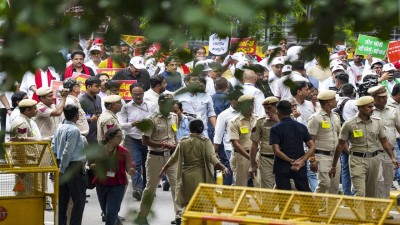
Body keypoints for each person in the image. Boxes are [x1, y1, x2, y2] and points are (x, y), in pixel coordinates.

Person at [159, 119, 229, 225]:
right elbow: (211, 158)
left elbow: (174, 158)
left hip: (186, 178)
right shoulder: (205, 142)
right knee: (203, 206)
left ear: (190, 129)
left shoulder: (183, 141)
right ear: (201, 130)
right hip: (201, 178)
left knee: (188, 205)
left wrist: (164, 169)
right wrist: (223, 167)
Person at [329, 96, 399, 199]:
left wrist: (392, 157)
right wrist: (334, 166)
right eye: (369, 107)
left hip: (374, 160)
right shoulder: (349, 124)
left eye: (372, 107)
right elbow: (340, 146)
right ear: (360, 108)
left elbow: (384, 141)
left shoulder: (377, 122)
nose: (372, 109)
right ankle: (361, 215)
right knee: (360, 192)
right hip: (357, 160)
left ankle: (367, 215)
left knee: (372, 193)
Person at [135, 94, 181, 225]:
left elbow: (174, 134)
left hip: (171, 156)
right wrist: (164, 144)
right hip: (155, 157)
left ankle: (179, 215)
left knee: (176, 186)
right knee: (150, 188)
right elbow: (145, 141)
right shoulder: (151, 119)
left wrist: (175, 145)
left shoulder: (174, 116)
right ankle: (142, 215)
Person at [118, 83, 157, 201]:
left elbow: (157, 120)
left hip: (148, 139)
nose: (138, 97)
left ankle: (147, 189)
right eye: (135, 94)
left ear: (143, 93)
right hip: (132, 139)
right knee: (135, 164)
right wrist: (133, 124)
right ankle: (138, 189)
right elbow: (121, 125)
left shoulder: (151, 106)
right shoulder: (125, 108)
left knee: (148, 165)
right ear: (131, 94)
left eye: (140, 94)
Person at [90, 128, 135, 225]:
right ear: (110, 138)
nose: (121, 139)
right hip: (101, 184)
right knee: (107, 213)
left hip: (118, 185)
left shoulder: (124, 151)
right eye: (118, 137)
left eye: (122, 136)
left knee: (111, 213)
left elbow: (129, 167)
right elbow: (90, 165)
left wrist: (131, 171)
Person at [269, 100, 316, 191]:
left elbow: (277, 151)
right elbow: (313, 147)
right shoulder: (301, 126)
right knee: (305, 194)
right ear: (291, 111)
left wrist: (291, 161)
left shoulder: (275, 128)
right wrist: (302, 160)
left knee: (284, 197)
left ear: (278, 112)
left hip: (282, 166)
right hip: (300, 165)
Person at [52, 104, 87, 225]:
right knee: (79, 200)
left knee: (63, 200)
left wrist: (57, 167)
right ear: (76, 115)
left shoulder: (59, 128)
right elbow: (67, 151)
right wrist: (62, 169)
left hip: (61, 165)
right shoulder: (74, 130)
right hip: (72, 167)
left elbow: (53, 147)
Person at [307, 90, 341, 196]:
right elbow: (310, 140)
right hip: (321, 156)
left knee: (334, 186)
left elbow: (340, 137)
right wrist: (312, 160)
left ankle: (330, 212)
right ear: (329, 102)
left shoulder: (336, 116)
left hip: (335, 156)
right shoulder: (315, 118)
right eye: (334, 99)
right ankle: (312, 206)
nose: (336, 101)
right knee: (324, 184)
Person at [228, 95, 260, 187]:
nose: (251, 107)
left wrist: (254, 159)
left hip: (257, 154)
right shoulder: (234, 122)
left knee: (259, 184)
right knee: (241, 185)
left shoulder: (258, 119)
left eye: (252, 104)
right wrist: (250, 158)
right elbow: (235, 144)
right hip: (241, 156)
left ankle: (259, 202)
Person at [249, 96, 280, 189]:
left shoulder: (286, 119)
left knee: (287, 186)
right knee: (267, 187)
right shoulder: (260, 122)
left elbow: (292, 137)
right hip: (266, 159)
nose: (267, 111)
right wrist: (252, 164)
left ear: (277, 107)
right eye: (265, 108)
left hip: (283, 159)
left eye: (269, 108)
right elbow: (254, 145)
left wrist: (278, 122)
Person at [79, 76, 102, 144]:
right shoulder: (81, 100)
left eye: (100, 86)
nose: (99, 88)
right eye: (97, 86)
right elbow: (78, 117)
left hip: (98, 132)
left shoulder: (98, 98)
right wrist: (90, 119)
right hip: (87, 134)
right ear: (89, 87)